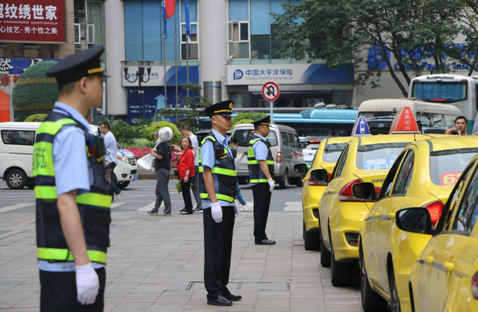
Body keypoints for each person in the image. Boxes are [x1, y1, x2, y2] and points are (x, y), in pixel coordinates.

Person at [34, 45, 111, 311]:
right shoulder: (69, 133)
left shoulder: (51, 125)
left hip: (58, 257)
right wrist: (83, 264)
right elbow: (66, 202)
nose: (103, 87)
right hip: (72, 262)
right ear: (84, 83)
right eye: (101, 81)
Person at [199, 100, 241, 306]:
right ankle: (213, 292)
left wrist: (232, 200)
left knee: (225, 247)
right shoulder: (209, 142)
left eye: (230, 117)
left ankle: (222, 286)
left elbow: (228, 175)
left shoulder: (225, 142)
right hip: (214, 205)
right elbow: (207, 172)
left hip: (226, 202)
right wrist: (214, 202)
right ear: (214, 120)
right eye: (225, 117)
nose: (229, 120)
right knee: (215, 248)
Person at [248, 115, 276, 245]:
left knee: (260, 209)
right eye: (267, 126)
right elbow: (262, 162)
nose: (269, 128)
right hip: (261, 182)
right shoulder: (259, 143)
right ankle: (260, 237)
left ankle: (260, 235)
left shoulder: (258, 141)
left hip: (258, 182)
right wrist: (270, 179)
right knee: (261, 210)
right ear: (260, 128)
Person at [174, 124, 203, 212]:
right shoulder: (193, 138)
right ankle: (198, 204)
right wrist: (181, 151)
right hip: (195, 164)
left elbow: (192, 153)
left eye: (182, 132)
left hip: (192, 165)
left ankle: (190, 206)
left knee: (186, 187)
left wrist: (183, 155)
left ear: (185, 130)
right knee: (194, 187)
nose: (182, 134)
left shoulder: (192, 138)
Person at [147, 129, 172, 216]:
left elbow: (160, 157)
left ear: (158, 136)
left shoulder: (161, 145)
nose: (154, 138)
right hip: (166, 170)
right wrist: (169, 171)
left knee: (163, 191)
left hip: (161, 170)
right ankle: (155, 209)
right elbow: (170, 160)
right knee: (159, 191)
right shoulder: (167, 146)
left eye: (155, 137)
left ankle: (167, 209)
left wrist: (153, 153)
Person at [100, 122, 123, 203]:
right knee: (107, 178)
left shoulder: (109, 136)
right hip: (109, 160)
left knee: (107, 179)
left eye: (102, 127)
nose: (101, 129)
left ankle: (117, 191)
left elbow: (102, 146)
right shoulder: (107, 136)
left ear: (106, 128)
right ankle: (111, 197)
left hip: (110, 161)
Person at [231, 136, 253, 211]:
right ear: (233, 144)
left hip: (232, 174)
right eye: (236, 145)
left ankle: (243, 204)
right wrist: (240, 156)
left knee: (236, 190)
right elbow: (234, 162)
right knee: (237, 190)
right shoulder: (230, 150)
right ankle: (244, 204)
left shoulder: (229, 150)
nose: (236, 147)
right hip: (231, 174)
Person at [177, 136, 195, 215]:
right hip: (183, 174)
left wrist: (186, 175)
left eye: (186, 141)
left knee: (186, 192)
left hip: (186, 175)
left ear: (189, 143)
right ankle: (187, 207)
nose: (184, 143)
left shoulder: (189, 152)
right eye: (183, 141)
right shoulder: (184, 151)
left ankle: (189, 209)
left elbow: (190, 164)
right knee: (184, 192)